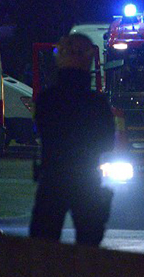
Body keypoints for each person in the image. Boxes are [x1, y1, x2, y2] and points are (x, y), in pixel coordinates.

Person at [29, 33, 115, 246]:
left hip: (52, 177)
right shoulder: (97, 103)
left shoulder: (47, 99)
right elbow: (107, 142)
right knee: (89, 245)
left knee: (42, 246)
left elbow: (41, 131)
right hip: (87, 178)